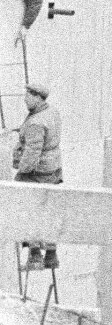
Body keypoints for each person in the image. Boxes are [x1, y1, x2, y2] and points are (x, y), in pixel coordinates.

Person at [13, 79, 62, 270]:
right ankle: (51, 255)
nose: (25, 100)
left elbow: (32, 152)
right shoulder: (51, 112)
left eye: (28, 97)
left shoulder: (35, 122)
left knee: (25, 208)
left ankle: (34, 256)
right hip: (53, 170)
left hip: (37, 172)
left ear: (37, 98)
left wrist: (20, 173)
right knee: (48, 210)